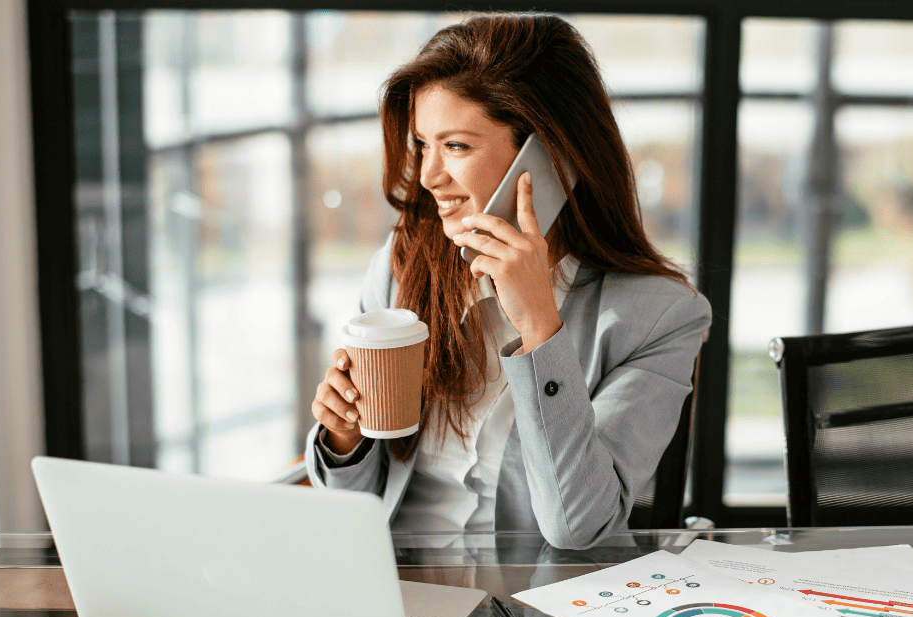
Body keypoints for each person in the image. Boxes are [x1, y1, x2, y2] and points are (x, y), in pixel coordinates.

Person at [305, 12, 711, 550]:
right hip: (397, 594)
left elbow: (577, 527)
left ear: (549, 156)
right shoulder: (402, 269)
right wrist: (344, 439)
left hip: (535, 610)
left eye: (456, 147)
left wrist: (540, 327)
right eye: (422, 144)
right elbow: (352, 507)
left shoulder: (659, 317)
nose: (427, 176)